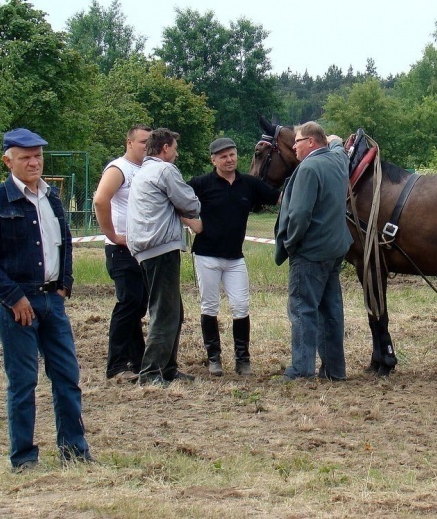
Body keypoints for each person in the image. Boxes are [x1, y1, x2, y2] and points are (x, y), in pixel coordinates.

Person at [0, 128, 93, 472]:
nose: (33, 162)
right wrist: (13, 296)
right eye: (25, 157)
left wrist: (64, 285)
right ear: (8, 160)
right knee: (23, 381)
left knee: (67, 377)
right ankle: (23, 457)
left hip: (52, 302)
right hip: (17, 306)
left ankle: (74, 450)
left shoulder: (52, 197)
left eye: (37, 155)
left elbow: (64, 242)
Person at [188, 137, 280, 376]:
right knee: (210, 305)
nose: (229, 160)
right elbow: (174, 199)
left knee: (241, 306)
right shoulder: (201, 184)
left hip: (235, 258)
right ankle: (214, 358)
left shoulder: (248, 184)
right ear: (213, 159)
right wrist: (191, 222)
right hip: (206, 255)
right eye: (223, 156)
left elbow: (278, 197)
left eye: (232, 155)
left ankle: (243, 359)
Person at [274, 121, 354, 381]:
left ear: (310, 142)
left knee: (302, 309)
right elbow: (338, 144)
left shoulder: (308, 168)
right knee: (331, 311)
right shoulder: (338, 161)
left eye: (297, 141)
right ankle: (334, 370)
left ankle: (301, 369)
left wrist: (291, 243)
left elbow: (299, 214)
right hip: (335, 250)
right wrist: (335, 138)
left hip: (310, 252)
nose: (294, 147)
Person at [127, 128, 202, 387]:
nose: (177, 154)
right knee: (165, 311)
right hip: (161, 248)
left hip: (145, 248)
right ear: (165, 148)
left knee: (173, 310)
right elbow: (190, 203)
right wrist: (186, 207)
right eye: (175, 148)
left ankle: (168, 369)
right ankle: (151, 373)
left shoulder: (141, 172)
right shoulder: (164, 170)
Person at [93, 124, 152, 384]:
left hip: (142, 250)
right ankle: (116, 365)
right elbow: (100, 200)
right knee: (128, 303)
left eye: (150, 143)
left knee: (138, 304)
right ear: (129, 143)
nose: (146, 147)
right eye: (142, 142)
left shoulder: (147, 169)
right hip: (121, 250)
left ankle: (138, 362)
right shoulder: (119, 169)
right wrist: (114, 235)